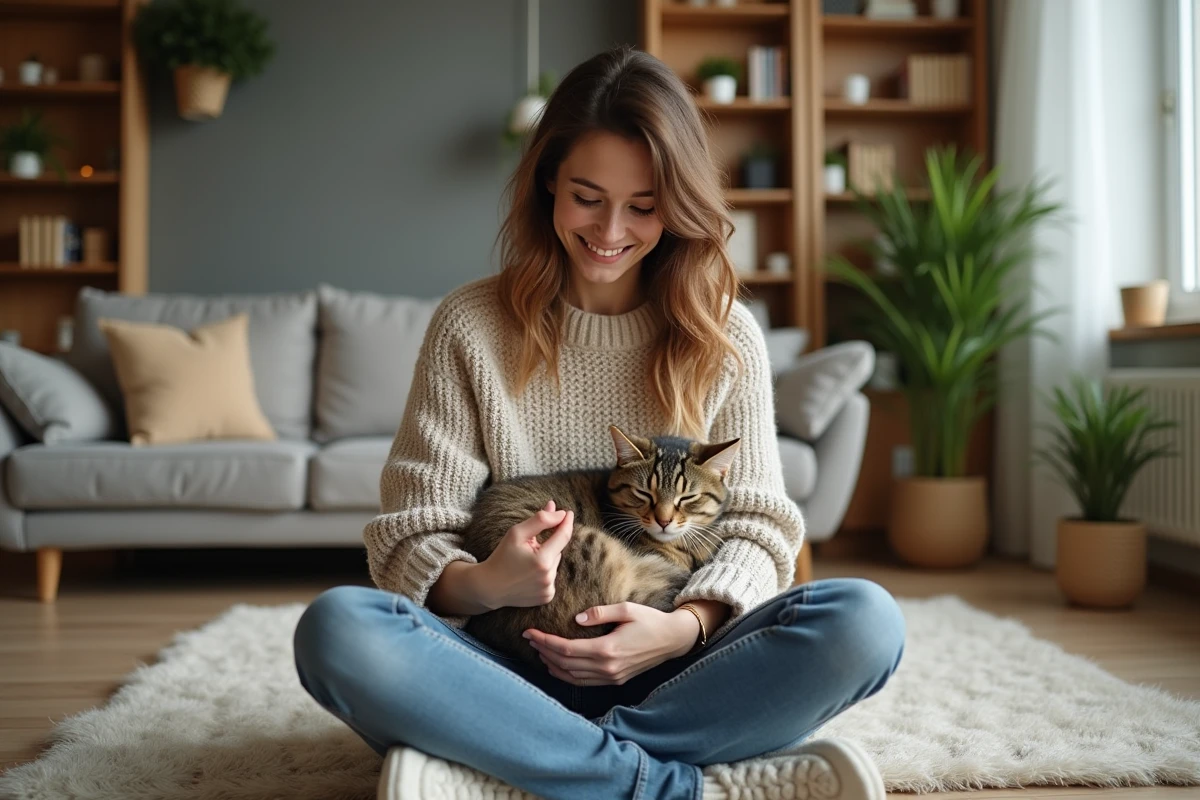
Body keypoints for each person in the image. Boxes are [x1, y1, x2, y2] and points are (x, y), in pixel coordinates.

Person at [293, 45, 905, 800]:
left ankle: (529, 765)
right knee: (338, 631)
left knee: (865, 622)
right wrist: (485, 584)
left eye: (644, 206)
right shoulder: (469, 326)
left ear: (676, 207)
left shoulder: (724, 334)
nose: (611, 229)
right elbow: (412, 533)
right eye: (587, 196)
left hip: (675, 666)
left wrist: (681, 630)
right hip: (506, 668)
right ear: (548, 179)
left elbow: (759, 528)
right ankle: (654, 781)